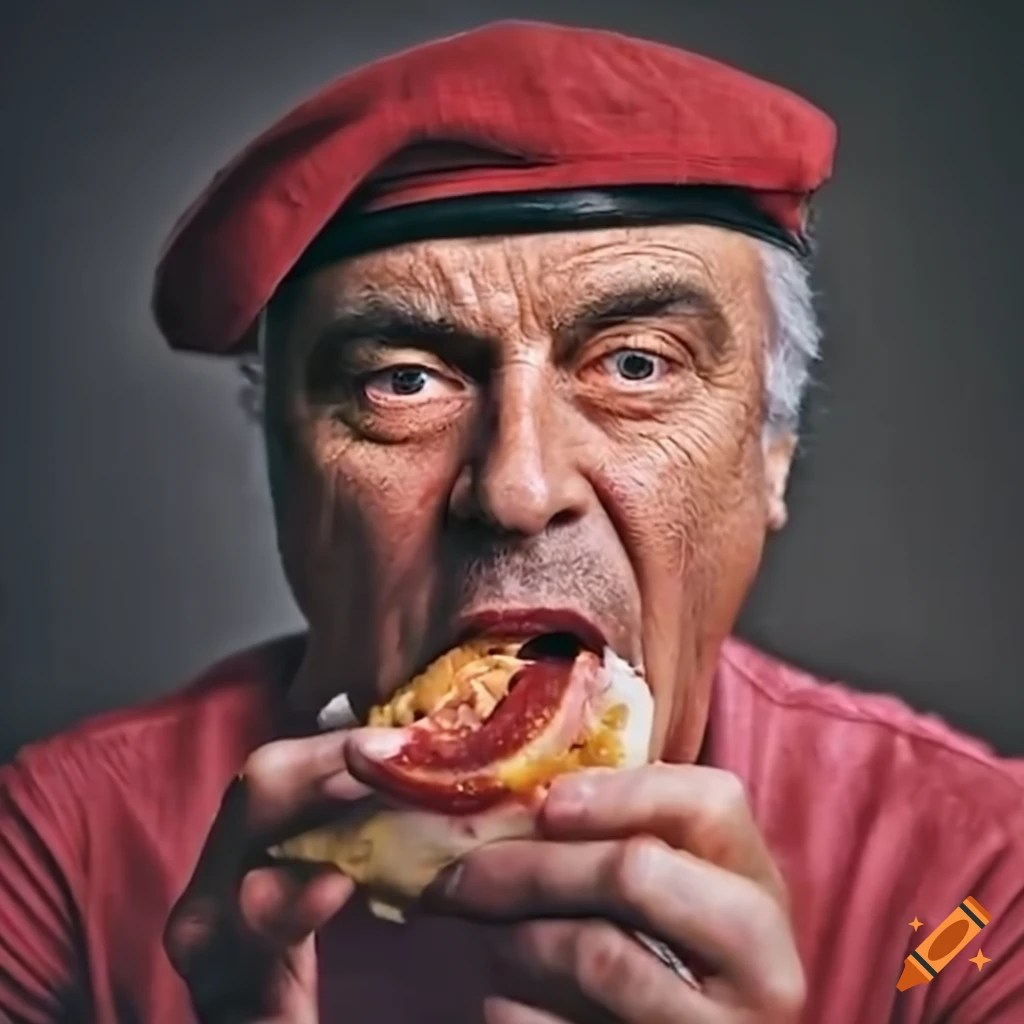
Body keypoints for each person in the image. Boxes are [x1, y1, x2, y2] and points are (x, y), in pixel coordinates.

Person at [1, 19, 1021, 1024]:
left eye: (635, 365)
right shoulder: (64, 848)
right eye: (401, 381)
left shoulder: (978, 875)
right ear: (288, 479)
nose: (516, 489)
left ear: (770, 455)